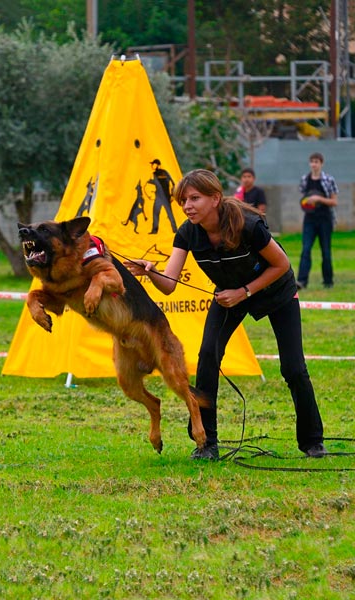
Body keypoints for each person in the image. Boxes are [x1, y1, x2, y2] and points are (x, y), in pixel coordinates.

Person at [124, 169, 327, 461]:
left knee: (293, 369)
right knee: (208, 356)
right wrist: (151, 271)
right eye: (183, 200)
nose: (187, 205)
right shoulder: (187, 233)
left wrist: (244, 292)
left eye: (195, 198)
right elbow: (168, 285)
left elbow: (281, 265)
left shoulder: (248, 225)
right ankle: (207, 443)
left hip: (275, 290)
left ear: (215, 198)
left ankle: (312, 441)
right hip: (230, 295)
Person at [296, 152, 338, 289]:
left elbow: (334, 201)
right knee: (306, 249)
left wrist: (319, 199)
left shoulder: (328, 180)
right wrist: (306, 203)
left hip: (325, 219)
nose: (314, 164)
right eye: (312, 161)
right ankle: (301, 281)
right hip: (309, 220)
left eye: (317, 162)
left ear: (321, 163)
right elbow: (304, 199)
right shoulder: (305, 179)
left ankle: (328, 281)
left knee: (325, 251)